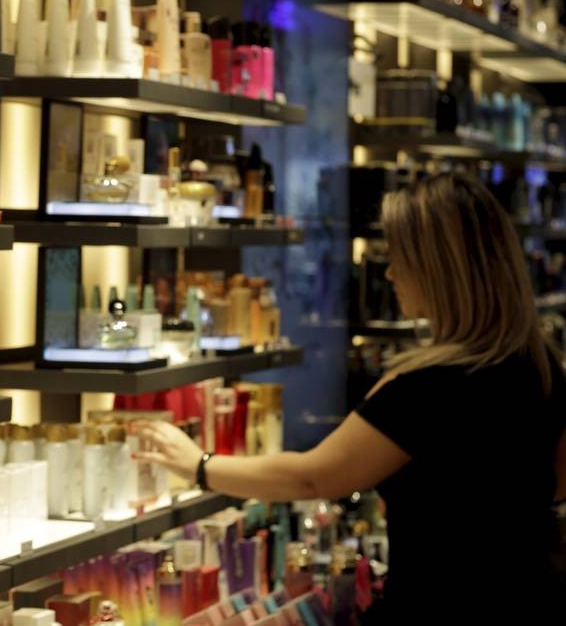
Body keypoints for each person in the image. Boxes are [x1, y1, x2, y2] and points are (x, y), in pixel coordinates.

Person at [133, 173, 566, 618]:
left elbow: (312, 477)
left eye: (399, 259)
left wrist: (200, 465)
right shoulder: (541, 367)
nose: (390, 274)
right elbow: (555, 485)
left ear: (439, 269)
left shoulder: (425, 389)